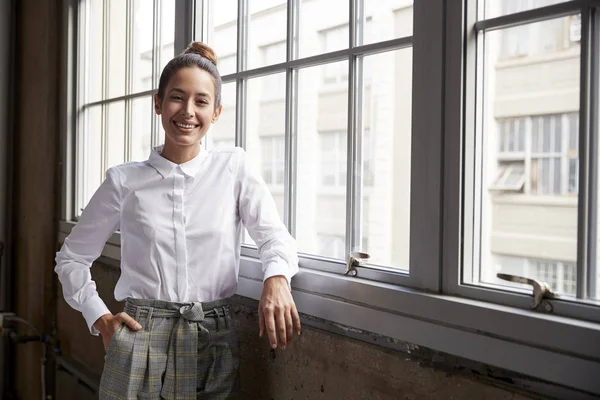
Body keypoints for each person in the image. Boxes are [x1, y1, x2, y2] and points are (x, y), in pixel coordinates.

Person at [55, 41, 301, 399]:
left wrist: (277, 278)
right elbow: (71, 259)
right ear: (158, 102)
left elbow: (275, 238)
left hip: (213, 340)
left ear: (215, 112)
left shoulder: (233, 168)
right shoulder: (124, 181)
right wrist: (101, 319)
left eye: (201, 101)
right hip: (139, 340)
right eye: (177, 97)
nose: (188, 111)